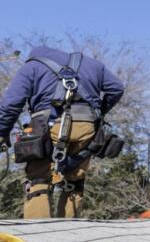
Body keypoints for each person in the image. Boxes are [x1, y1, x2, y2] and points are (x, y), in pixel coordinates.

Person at [0, 46, 125, 218]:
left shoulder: (32, 66)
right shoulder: (94, 65)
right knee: (74, 181)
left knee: (39, 179)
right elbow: (117, 88)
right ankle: (68, 234)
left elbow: (11, 104)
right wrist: (98, 113)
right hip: (86, 128)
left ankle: (39, 236)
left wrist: (2, 132)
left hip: (46, 127)